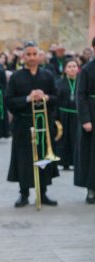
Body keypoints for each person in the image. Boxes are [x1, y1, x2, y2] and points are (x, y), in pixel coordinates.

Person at [5, 41, 59, 208]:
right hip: (23, 122)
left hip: (43, 121)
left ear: (39, 55)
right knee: (23, 158)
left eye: (34, 54)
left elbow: (57, 98)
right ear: (23, 56)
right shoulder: (16, 76)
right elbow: (9, 101)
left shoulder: (47, 75)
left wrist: (46, 97)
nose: (32, 57)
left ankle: (42, 193)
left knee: (43, 155)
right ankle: (24, 194)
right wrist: (28, 98)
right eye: (28, 54)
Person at [75, 37, 95, 204]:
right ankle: (91, 188)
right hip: (92, 115)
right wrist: (86, 119)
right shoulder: (87, 69)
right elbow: (80, 96)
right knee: (91, 154)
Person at [56, 59, 79, 171]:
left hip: (77, 115)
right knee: (65, 139)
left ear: (78, 69)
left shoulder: (82, 82)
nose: (72, 69)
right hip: (63, 115)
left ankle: (76, 162)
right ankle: (64, 162)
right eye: (69, 66)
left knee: (76, 139)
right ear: (65, 69)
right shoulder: (59, 83)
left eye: (74, 66)